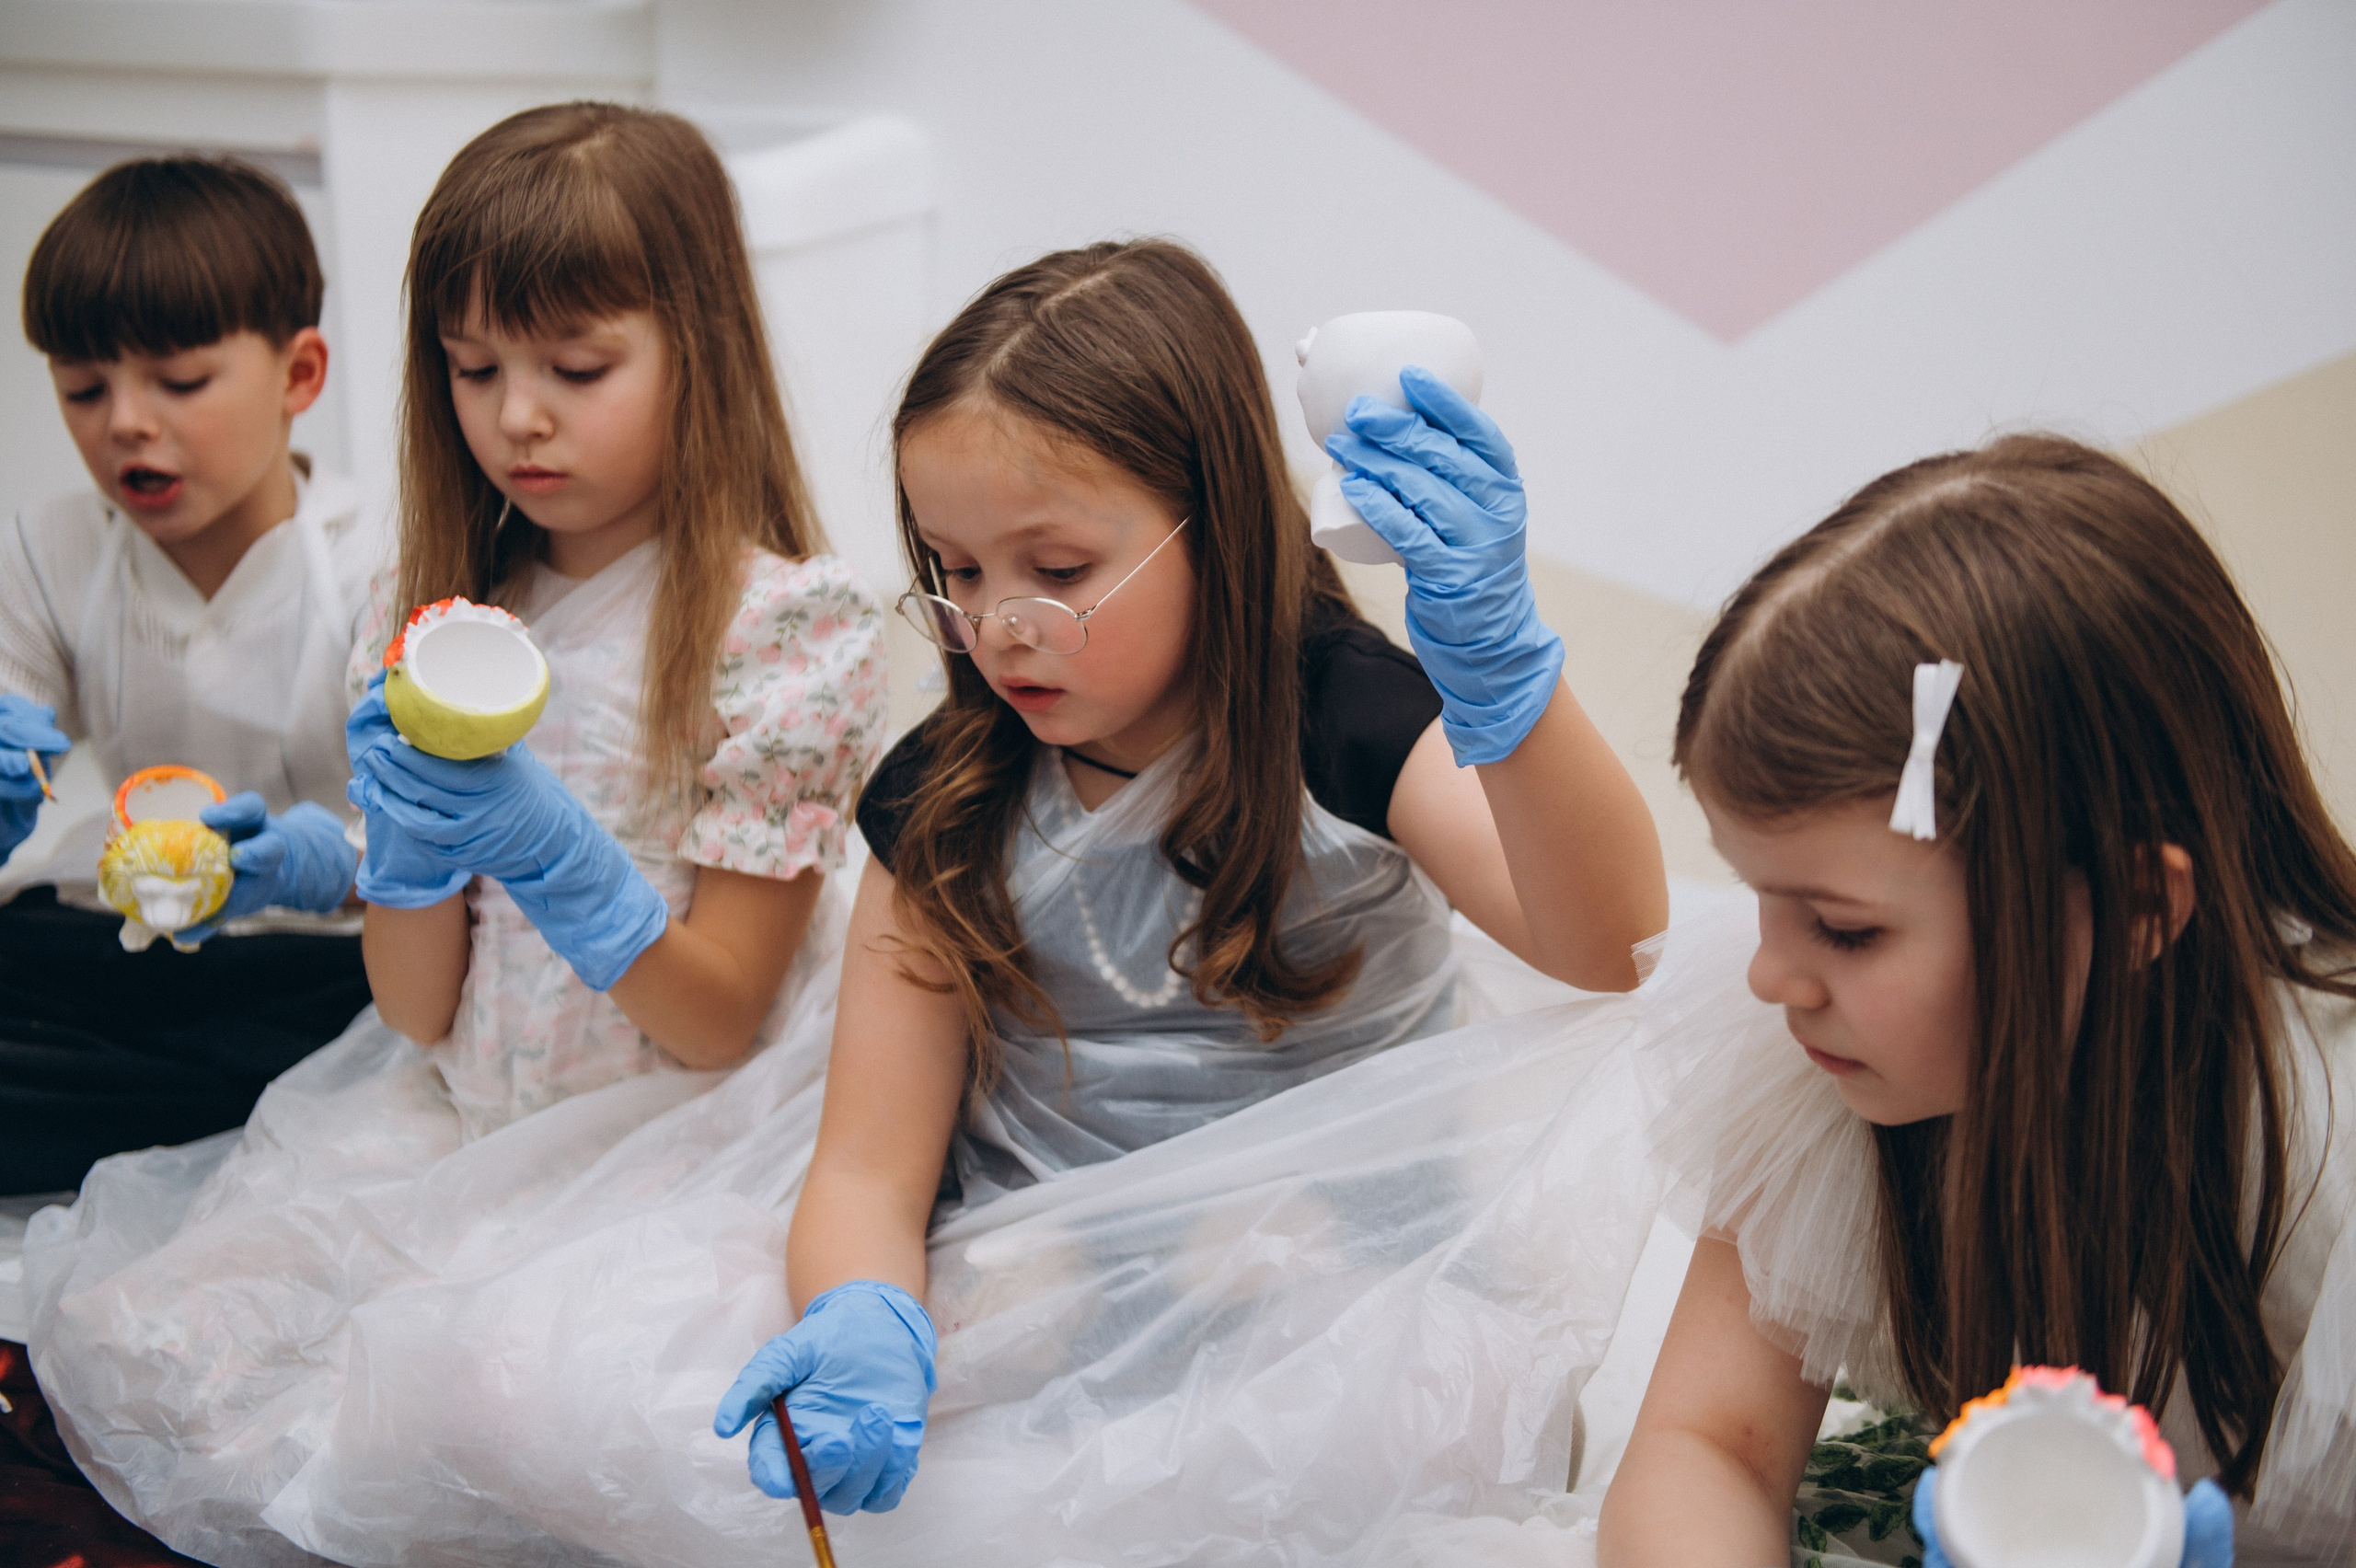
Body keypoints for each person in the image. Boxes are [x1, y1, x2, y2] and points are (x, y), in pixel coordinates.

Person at [21, 102, 885, 1564]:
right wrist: (401, 858)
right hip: (459, 1100)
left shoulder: (787, 629)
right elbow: (418, 1012)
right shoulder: (425, 610)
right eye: (475, 370)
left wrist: (556, 854)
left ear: (702, 349)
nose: (518, 417)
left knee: (514, 1403)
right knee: (144, 1332)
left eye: (577, 368)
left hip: (675, 1124)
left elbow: (724, 1021)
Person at [718, 238, 1667, 1520]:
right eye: (956, 570)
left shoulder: (1347, 723)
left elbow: (1614, 946)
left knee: (1421, 1449)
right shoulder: (943, 804)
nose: (999, 624)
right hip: (1055, 1285)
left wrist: (1508, 685)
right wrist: (862, 1313)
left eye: (1057, 573)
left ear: (1215, 525)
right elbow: (868, 1175)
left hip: (1350, 1293)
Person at [1598, 436, 2355, 1565]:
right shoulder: (1837, 1050)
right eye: (1763, 897)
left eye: (1846, 930)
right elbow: (1710, 1446)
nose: (1771, 976)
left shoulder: (2323, 1156)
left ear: (2137, 908)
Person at [0, 156, 384, 1193]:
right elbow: (15, 721)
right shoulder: (52, 548)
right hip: (127, 947)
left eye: (178, 383)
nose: (123, 420)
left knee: (391, 1045)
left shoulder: (380, 559)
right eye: (83, 388)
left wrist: (325, 866)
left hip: (323, 962)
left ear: (300, 374)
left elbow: (447, 842)